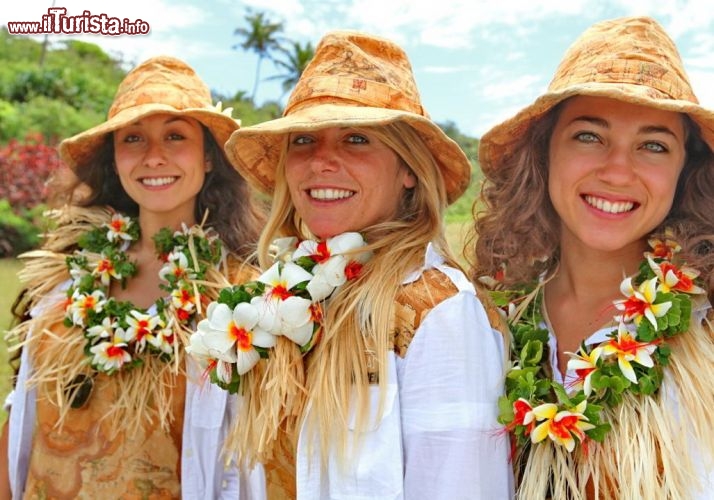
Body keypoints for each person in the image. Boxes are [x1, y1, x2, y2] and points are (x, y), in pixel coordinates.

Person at [200, 30, 514, 499]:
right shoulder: (286, 294)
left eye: (357, 138)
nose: (322, 160)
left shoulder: (438, 312)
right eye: (303, 139)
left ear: (408, 170)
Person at [0, 56, 266, 498]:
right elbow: (22, 414)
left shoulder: (242, 304)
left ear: (208, 158)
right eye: (134, 138)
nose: (153, 156)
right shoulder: (64, 280)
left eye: (175, 136)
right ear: (115, 159)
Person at [471, 16, 714, 499]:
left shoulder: (705, 330)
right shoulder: (490, 322)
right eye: (589, 136)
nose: (618, 171)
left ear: (684, 171)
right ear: (544, 153)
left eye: (653, 145)